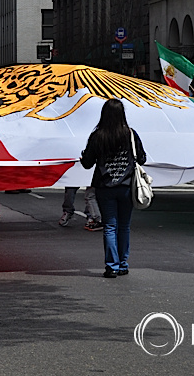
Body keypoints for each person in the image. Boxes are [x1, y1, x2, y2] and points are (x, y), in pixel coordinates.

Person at [80, 99, 146, 278]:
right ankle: (123, 264)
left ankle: (112, 266)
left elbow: (87, 163)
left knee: (110, 226)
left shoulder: (97, 136)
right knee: (124, 226)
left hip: (104, 187)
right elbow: (142, 158)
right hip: (126, 187)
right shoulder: (130, 134)